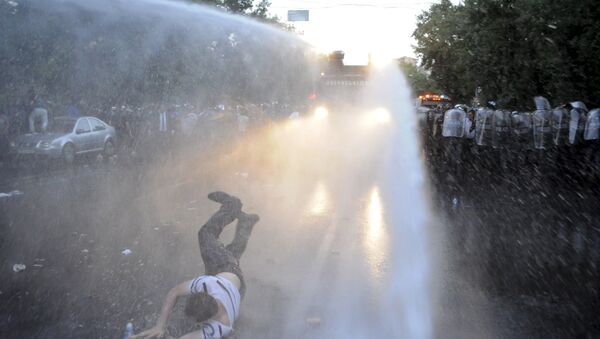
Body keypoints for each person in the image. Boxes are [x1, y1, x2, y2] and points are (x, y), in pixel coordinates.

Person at [132, 192, 259, 339]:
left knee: (226, 248)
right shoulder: (208, 287)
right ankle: (232, 208)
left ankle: (241, 217)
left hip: (236, 288)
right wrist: (159, 326)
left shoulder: (219, 326)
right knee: (206, 235)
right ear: (204, 292)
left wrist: (159, 329)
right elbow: (174, 292)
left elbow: (175, 295)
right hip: (225, 269)